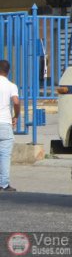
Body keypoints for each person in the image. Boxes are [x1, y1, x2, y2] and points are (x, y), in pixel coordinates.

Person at [0, 59, 20, 192]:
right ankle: (4, 184)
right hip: (5, 123)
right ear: (8, 71)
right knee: (5, 155)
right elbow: (16, 102)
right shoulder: (11, 85)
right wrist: (16, 116)